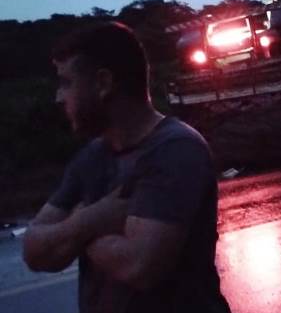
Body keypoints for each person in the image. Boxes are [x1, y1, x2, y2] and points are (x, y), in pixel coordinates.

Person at [22, 22, 232, 313]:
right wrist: (93, 219)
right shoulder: (91, 157)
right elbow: (32, 251)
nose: (59, 97)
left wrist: (72, 231)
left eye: (67, 83)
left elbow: (140, 266)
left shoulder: (176, 149)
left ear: (103, 83)